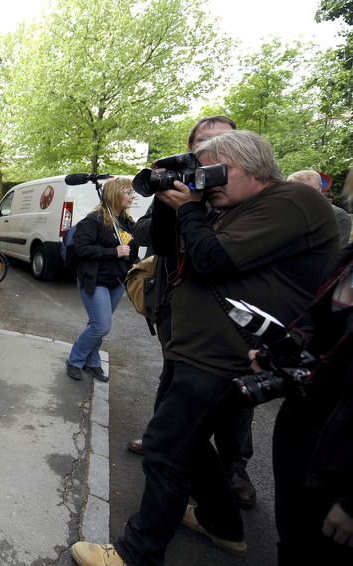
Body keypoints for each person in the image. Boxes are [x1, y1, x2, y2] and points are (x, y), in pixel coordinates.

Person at [70, 130, 340, 566]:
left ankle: (137, 553)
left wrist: (192, 210)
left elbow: (213, 258)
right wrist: (167, 202)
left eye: (213, 171)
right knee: (189, 447)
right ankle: (223, 525)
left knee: (165, 447)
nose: (206, 182)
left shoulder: (291, 201)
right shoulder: (229, 206)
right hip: (195, 350)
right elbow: (171, 250)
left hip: (223, 357)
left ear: (249, 167)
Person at [128, 115, 259, 510]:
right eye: (201, 145)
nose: (209, 154)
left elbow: (223, 257)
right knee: (174, 385)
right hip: (178, 307)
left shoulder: (248, 198)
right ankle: (163, 441)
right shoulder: (180, 189)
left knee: (235, 399)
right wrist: (173, 203)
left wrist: (196, 210)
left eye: (221, 145)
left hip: (231, 319)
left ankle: (234, 467)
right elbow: (147, 236)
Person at [248, 235, 353, 565]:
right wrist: (278, 353)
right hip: (302, 422)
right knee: (292, 536)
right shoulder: (349, 256)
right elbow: (321, 325)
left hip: (341, 456)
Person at [65, 177, 138, 382]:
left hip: (117, 282)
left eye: (133, 192)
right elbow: (81, 249)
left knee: (96, 323)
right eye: (128, 192)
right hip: (95, 280)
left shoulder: (126, 222)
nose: (133, 196)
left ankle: (93, 362)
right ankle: (74, 360)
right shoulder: (93, 220)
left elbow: (131, 250)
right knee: (101, 326)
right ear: (115, 193)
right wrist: (113, 252)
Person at [287, 169, 351, 245]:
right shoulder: (282, 213)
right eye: (298, 191)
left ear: (320, 188)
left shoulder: (337, 215)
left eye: (311, 191)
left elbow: (338, 251)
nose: (305, 196)